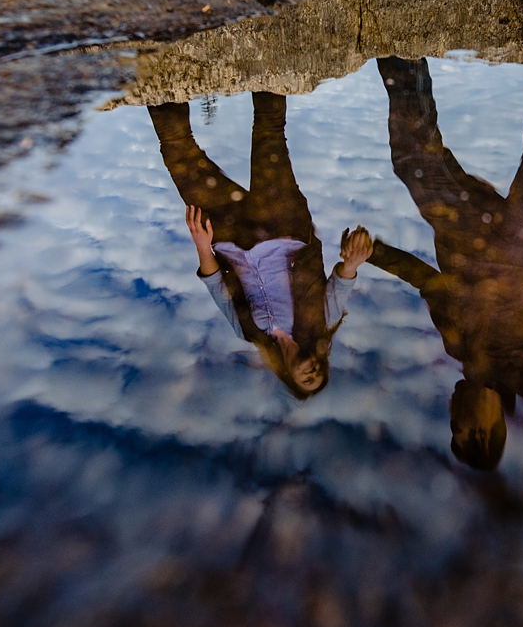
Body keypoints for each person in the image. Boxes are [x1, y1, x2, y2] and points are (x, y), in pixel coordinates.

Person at [369, 58, 523, 469]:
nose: (451, 414)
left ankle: (401, 54)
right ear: (482, 431)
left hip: (465, 232)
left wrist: (374, 254)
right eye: (456, 427)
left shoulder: (457, 346)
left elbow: (426, 282)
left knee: (413, 162)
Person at [149, 92, 373, 398]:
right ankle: (266, 59)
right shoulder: (322, 323)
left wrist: (202, 244)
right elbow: (342, 282)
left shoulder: (249, 332)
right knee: (269, 133)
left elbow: (217, 286)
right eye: (321, 372)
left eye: (308, 380)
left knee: (178, 155)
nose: (315, 372)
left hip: (226, 235)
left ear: (288, 377)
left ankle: (154, 71)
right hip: (283, 224)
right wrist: (352, 261)